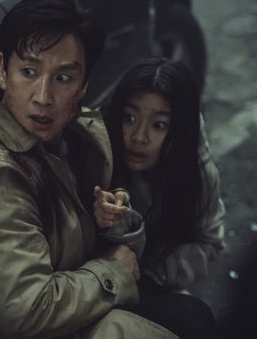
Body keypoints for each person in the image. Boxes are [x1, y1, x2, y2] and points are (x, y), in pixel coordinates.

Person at [0, 0, 175, 338]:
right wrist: (113, 272)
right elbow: (26, 312)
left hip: (73, 308)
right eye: (29, 71)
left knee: (188, 314)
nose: (43, 97)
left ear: (83, 85)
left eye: (63, 78)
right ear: (3, 71)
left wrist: (107, 216)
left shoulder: (66, 135)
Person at [96, 57, 225, 337]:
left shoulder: (196, 172)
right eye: (130, 118)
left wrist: (152, 272)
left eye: (159, 125)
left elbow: (210, 242)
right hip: (95, 287)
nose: (139, 137)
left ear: (179, 130)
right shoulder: (98, 152)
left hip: (156, 284)